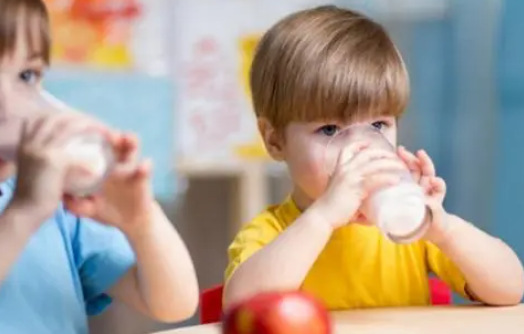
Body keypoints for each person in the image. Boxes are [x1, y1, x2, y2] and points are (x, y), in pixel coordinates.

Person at [224, 6, 524, 310]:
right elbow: (242, 308)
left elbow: (511, 289)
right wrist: (324, 217)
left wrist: (444, 228)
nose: (360, 148)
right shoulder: (271, 233)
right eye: (329, 130)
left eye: (378, 125)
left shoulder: (410, 231)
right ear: (275, 140)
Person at [0, 0, 198, 332]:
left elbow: (173, 304)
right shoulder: (33, 201)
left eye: (26, 75)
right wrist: (23, 213)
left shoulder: (51, 197)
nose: (8, 104)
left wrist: (141, 222)